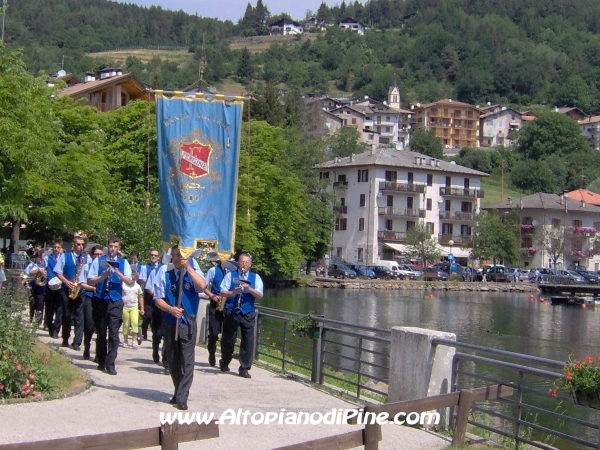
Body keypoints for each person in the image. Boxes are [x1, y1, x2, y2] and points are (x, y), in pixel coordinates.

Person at [154, 245, 206, 410]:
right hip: (170, 322)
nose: (177, 258)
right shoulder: (165, 275)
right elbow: (157, 298)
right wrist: (170, 308)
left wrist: (188, 268)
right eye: (175, 256)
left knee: (187, 360)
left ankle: (183, 396)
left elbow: (202, 286)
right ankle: (178, 391)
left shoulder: (193, 273)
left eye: (180, 255)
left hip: (187, 323)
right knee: (173, 360)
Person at [87, 236, 132, 375]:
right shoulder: (98, 261)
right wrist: (103, 276)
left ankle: (111, 363)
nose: (113, 248)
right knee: (101, 332)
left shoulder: (124, 263)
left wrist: (117, 272)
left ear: (119, 248)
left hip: (116, 300)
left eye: (115, 246)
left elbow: (129, 282)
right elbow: (90, 281)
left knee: (114, 333)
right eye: (111, 246)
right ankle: (101, 360)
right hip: (101, 299)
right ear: (108, 246)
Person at [219, 253, 263, 379]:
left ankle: (244, 368)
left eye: (247, 262)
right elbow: (222, 291)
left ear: (250, 264)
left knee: (248, 341)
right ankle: (225, 360)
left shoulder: (256, 277)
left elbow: (260, 295)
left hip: (247, 312)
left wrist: (249, 289)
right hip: (232, 311)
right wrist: (234, 292)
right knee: (228, 339)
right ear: (238, 263)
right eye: (242, 262)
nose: (244, 264)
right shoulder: (230, 275)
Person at [54, 235, 90, 350]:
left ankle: (77, 342)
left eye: (82, 244)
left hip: (80, 290)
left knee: (79, 316)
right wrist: (66, 281)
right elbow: (57, 271)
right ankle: (65, 338)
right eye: (79, 244)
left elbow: (89, 273)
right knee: (67, 315)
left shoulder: (86, 258)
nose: (81, 246)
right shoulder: (65, 256)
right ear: (73, 245)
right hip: (67, 289)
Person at [78, 245, 103, 360]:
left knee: (100, 326)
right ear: (92, 256)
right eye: (96, 254)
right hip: (89, 296)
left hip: (101, 298)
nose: (98, 256)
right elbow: (81, 283)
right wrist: (91, 288)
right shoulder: (87, 267)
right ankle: (87, 346)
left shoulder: (105, 268)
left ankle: (99, 353)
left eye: (100, 254)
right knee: (89, 325)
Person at [138, 249, 163, 361]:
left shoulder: (162, 268)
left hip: (161, 302)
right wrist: (151, 285)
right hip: (149, 297)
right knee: (148, 316)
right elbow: (143, 281)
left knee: (160, 327)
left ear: (159, 257)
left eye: (155, 255)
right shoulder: (146, 267)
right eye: (152, 255)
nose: (153, 257)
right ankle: (145, 328)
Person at [202, 253, 226, 367]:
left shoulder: (234, 272)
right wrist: (211, 295)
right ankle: (211, 350)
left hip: (228, 304)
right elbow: (203, 286)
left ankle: (224, 359)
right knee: (214, 332)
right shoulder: (213, 270)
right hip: (215, 302)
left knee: (228, 334)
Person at [43, 238, 64, 338]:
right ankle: (51, 329)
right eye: (55, 247)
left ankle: (56, 329)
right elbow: (44, 269)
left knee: (60, 310)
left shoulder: (63, 258)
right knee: (49, 309)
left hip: (61, 286)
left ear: (61, 248)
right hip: (50, 286)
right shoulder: (47, 258)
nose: (56, 249)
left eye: (58, 247)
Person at [122, 268, 143, 349]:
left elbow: (140, 297)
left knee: (134, 323)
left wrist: (142, 308)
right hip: (125, 306)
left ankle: (134, 340)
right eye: (131, 277)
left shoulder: (137, 286)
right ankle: (125, 341)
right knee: (126, 324)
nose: (133, 279)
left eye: (134, 278)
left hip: (134, 306)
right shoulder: (123, 285)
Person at [24, 250, 46, 327]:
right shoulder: (32, 265)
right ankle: (31, 318)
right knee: (32, 303)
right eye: (41, 257)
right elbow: (25, 275)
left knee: (40, 305)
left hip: (42, 288)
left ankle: (38, 322)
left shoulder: (45, 266)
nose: (42, 259)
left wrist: (43, 271)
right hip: (32, 286)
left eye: (43, 257)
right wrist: (37, 270)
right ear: (37, 257)